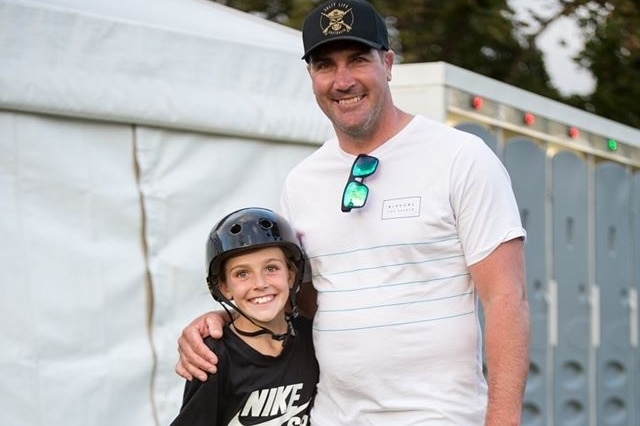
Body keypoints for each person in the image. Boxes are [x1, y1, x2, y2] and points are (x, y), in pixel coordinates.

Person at [176, 0, 530, 424]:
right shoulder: (302, 181)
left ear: (388, 63)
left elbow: (507, 299)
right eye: (325, 65)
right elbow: (298, 299)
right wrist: (226, 317)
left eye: (358, 60)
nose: (342, 81)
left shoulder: (460, 157)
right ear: (311, 75)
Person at [170, 207, 318, 426]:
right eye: (242, 274)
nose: (260, 284)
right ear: (223, 287)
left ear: (291, 275)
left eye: (271, 268)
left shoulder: (312, 337)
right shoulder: (213, 356)